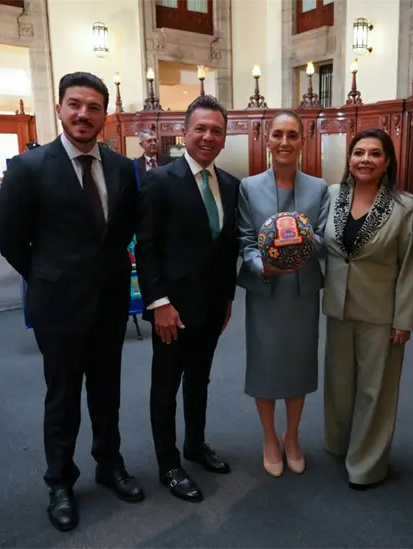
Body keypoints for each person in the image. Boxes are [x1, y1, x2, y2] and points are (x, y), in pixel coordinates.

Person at [0, 72, 145, 532]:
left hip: (110, 303)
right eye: (75, 104)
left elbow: (124, 230)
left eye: (94, 107)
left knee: (107, 392)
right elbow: (11, 242)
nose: (84, 114)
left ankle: (109, 464)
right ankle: (60, 481)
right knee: (62, 397)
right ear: (60, 109)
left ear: (104, 115)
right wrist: (49, 279)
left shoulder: (122, 168)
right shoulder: (29, 168)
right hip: (58, 307)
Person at [134, 95, 240, 503]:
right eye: (200, 128)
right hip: (172, 311)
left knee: (200, 380)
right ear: (185, 131)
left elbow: (227, 246)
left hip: (212, 307)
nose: (208, 136)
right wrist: (159, 302)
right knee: (166, 386)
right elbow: (147, 246)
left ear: (225, 136)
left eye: (216, 130)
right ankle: (169, 463)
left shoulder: (229, 185)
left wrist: (228, 297)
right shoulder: (160, 181)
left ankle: (195, 445)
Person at [322, 129, 413, 492]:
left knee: (374, 392)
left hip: (382, 314)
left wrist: (404, 319)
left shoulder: (404, 205)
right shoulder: (332, 196)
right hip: (337, 308)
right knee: (340, 386)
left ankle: (366, 465)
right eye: (358, 152)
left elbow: (410, 263)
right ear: (349, 159)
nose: (365, 159)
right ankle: (340, 445)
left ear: (387, 162)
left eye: (375, 154)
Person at [236, 110, 330, 477]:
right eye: (278, 134)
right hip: (265, 289)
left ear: (302, 140)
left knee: (298, 364)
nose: (285, 142)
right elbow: (245, 239)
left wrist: (303, 249)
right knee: (265, 364)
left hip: (303, 290)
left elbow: (322, 237)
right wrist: (263, 265)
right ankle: (269, 437)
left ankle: (292, 436)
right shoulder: (249, 187)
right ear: (267, 140)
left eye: (293, 135)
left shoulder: (319, 188)